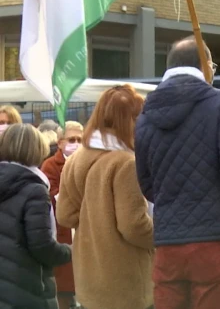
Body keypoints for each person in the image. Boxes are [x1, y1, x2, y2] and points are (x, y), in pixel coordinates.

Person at [135, 37, 220, 309]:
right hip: (217, 236)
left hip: (168, 239)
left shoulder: (146, 111)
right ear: (206, 65)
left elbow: (146, 183)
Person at [56, 86, 154, 309]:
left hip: (89, 277)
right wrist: (161, 236)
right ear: (128, 120)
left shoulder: (75, 160)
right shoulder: (126, 163)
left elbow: (65, 216)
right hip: (126, 281)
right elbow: (133, 225)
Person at [0, 124, 72, 309]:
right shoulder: (35, 190)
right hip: (27, 286)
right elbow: (41, 245)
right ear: (38, 149)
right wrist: (70, 251)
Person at [40, 121, 83, 309]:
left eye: (80, 140)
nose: (76, 143)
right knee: (64, 286)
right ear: (60, 143)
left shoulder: (87, 161)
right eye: (71, 139)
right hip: (63, 230)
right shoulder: (50, 165)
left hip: (83, 230)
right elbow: (53, 195)